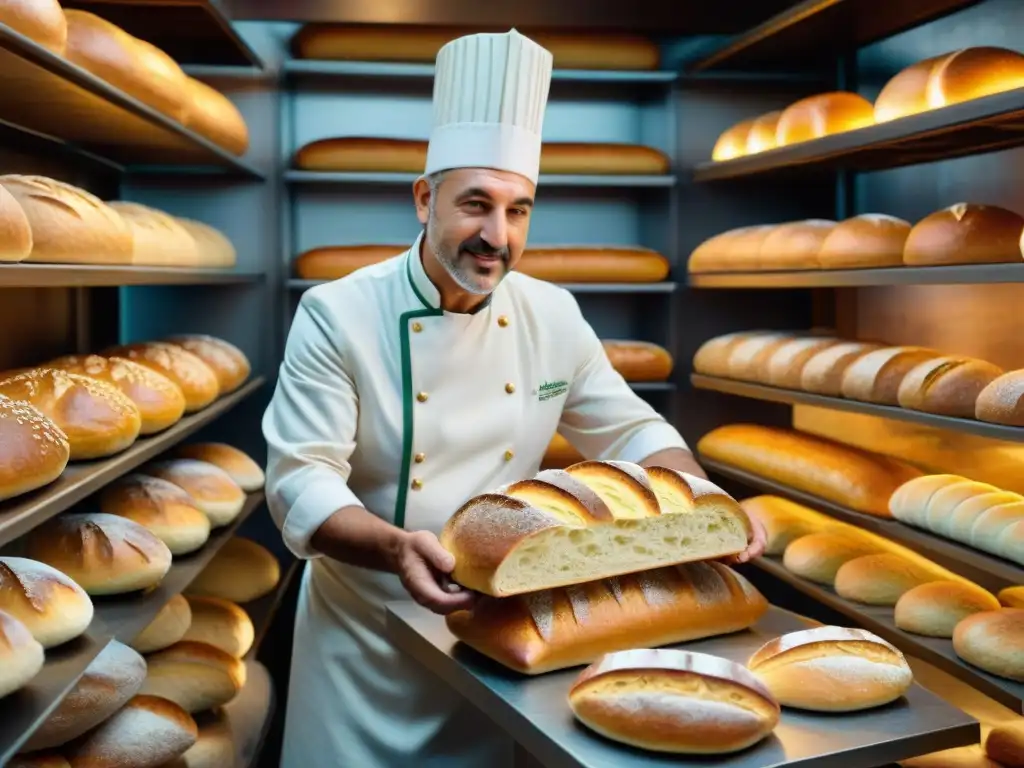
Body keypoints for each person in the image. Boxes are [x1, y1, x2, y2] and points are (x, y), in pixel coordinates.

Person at [263, 27, 765, 768]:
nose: (496, 236)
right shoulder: (340, 313)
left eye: (519, 209)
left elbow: (630, 431)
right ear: (423, 198)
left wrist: (700, 504)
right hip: (366, 634)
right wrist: (397, 547)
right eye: (476, 205)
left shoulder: (550, 312)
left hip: (506, 628)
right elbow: (300, 478)